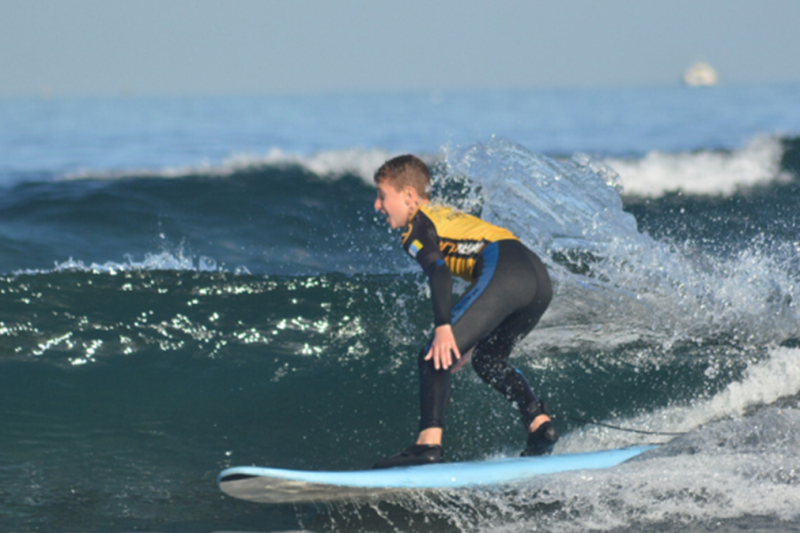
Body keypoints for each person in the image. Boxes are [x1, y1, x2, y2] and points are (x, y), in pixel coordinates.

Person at [371, 154, 558, 469]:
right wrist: (467, 339)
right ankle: (539, 424)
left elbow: (440, 272)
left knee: (435, 354)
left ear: (408, 196)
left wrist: (444, 329)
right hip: (536, 278)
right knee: (487, 360)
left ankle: (427, 447)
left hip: (506, 269)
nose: (378, 205)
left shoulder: (417, 227)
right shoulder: (441, 214)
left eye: (382, 196)